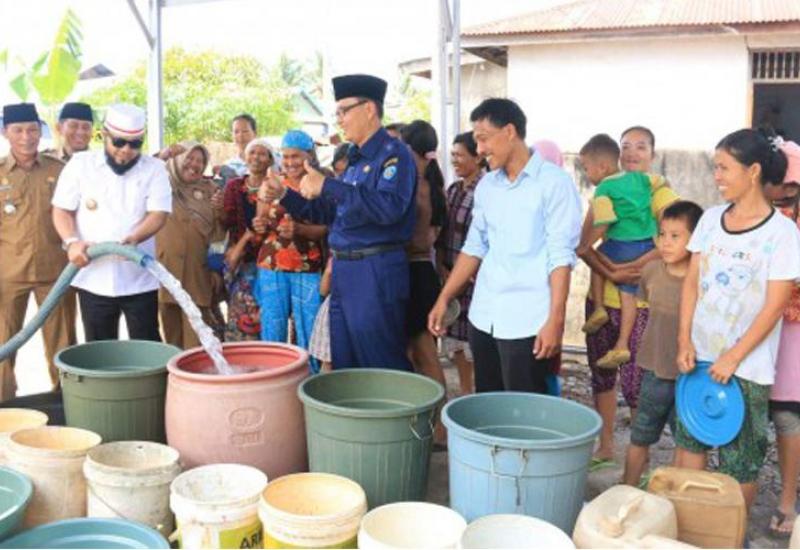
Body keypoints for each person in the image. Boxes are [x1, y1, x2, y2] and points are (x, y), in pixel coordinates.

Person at [675, 128, 800, 512]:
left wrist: (733, 357)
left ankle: (732, 534)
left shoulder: (782, 233)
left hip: (746, 368)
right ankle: (689, 530)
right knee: (690, 444)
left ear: (753, 171)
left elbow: (774, 305)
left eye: (724, 167)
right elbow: (692, 284)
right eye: (716, 167)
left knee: (740, 462)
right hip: (699, 358)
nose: (717, 176)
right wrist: (684, 341)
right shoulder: (711, 219)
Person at [259, 73, 416, 370]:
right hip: (345, 269)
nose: (339, 119)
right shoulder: (355, 160)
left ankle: (394, 418)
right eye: (337, 112)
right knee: (345, 362)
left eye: (344, 111)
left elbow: (389, 208)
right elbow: (332, 214)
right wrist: (285, 196)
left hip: (374, 270)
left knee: (380, 363)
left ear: (369, 109)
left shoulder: (394, 155)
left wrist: (329, 186)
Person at [428, 98, 582, 393]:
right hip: (484, 316)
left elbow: (560, 258)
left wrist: (556, 321)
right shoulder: (488, 186)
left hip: (529, 321)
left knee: (525, 416)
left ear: (509, 131)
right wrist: (444, 298)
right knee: (489, 408)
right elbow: (474, 247)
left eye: (483, 139)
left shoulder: (554, 184)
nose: (480, 149)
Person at [580, 125, 678, 464]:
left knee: (637, 384)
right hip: (600, 301)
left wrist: (633, 265)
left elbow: (675, 238)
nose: (633, 152)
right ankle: (606, 447)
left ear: (653, 154)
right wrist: (610, 271)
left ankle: (640, 458)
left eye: (641, 146)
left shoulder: (659, 192)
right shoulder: (610, 188)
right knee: (601, 375)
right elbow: (589, 237)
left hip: (640, 303)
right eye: (626, 146)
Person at [52, 103, 172, 342]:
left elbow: (159, 213)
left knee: (147, 345)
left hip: (139, 277)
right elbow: (61, 210)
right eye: (118, 142)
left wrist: (135, 238)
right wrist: (72, 241)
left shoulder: (155, 169)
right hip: (93, 278)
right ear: (104, 135)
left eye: (135, 143)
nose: (126, 150)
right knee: (100, 348)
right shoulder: (80, 165)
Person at [622, 200, 703, 486]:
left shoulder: (704, 281)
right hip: (654, 370)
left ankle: (673, 498)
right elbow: (644, 308)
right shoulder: (652, 272)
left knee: (686, 441)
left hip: (690, 376)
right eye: (662, 234)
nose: (665, 243)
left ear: (697, 239)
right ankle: (626, 488)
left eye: (675, 236)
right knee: (640, 434)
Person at [0, 103, 76, 400]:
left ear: (40, 131)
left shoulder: (59, 170)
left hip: (55, 271)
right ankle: (4, 403)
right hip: (8, 272)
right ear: (6, 133)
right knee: (4, 341)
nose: (26, 137)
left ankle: (67, 400)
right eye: (18, 130)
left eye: (32, 129)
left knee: (63, 342)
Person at [579, 134, 658, 369]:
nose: (586, 174)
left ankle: (600, 309)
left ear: (602, 166)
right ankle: (622, 344)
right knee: (629, 297)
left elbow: (605, 218)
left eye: (586, 168)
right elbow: (659, 182)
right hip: (644, 244)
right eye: (626, 147)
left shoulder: (605, 187)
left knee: (597, 258)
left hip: (621, 243)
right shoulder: (642, 180)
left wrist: (585, 246)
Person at [253, 130, 326, 372]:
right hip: (271, 266)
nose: (290, 162)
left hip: (308, 265)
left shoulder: (320, 181)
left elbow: (326, 228)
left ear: (310, 155)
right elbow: (260, 220)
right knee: (272, 328)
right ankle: (273, 382)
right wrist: (260, 225)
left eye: (296, 156)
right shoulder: (272, 181)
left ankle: (311, 385)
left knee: (310, 330)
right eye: (285, 156)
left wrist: (299, 230)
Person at [763, 138, 800, 536]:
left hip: (793, 332)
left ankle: (788, 500)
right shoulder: (755, 217)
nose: (784, 195)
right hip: (761, 331)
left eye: (791, 188)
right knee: (775, 415)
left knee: (789, 414)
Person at [155, 141, 224, 349]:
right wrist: (163, 155)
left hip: (198, 274)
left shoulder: (212, 191)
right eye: (189, 158)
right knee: (171, 338)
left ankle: (196, 381)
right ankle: (175, 380)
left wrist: (215, 271)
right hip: (165, 272)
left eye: (200, 161)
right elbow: (139, 172)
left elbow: (218, 236)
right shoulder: (159, 184)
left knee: (198, 341)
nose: (194, 164)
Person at [400, 120, 448, 392]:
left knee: (423, 355)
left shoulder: (411, 186)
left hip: (411, 272)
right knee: (422, 355)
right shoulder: (436, 185)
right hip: (425, 271)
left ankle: (438, 426)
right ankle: (433, 424)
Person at [436, 131, 484, 395]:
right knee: (455, 340)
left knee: (472, 342)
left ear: (477, 157)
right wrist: (443, 267)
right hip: (452, 275)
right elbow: (443, 233)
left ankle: (474, 393)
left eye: (460, 155)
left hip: (476, 278)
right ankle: (466, 391)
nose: (454, 160)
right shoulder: (453, 190)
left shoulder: (486, 190)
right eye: (452, 155)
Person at [217, 137, 273, 342]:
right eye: (252, 152)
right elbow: (226, 221)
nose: (256, 157)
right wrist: (217, 208)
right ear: (246, 157)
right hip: (242, 260)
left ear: (269, 160)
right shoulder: (234, 186)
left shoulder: (276, 186)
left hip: (270, 261)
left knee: (267, 316)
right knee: (240, 314)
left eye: (262, 153)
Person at [214, 114, 257, 185]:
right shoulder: (228, 166)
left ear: (255, 133)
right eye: (236, 132)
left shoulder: (268, 160)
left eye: (245, 131)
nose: (240, 135)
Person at [308, 257, 333, 372]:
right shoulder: (336, 257)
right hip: (333, 311)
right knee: (328, 361)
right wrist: (328, 271)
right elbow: (323, 291)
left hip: (335, 309)